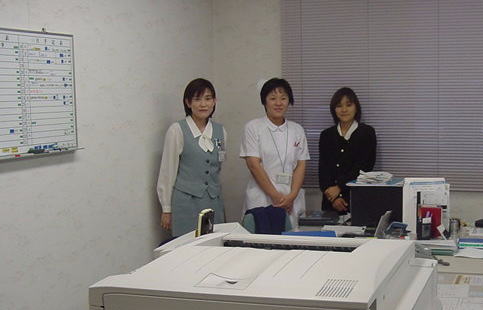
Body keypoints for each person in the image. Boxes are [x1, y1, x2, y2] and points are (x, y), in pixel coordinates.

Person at [156, 78, 226, 237]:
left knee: (214, 246)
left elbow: (218, 166)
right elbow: (167, 171)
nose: (203, 104)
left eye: (208, 99)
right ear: (188, 103)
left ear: (214, 102)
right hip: (185, 203)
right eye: (197, 99)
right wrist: (166, 208)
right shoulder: (177, 130)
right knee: (186, 246)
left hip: (213, 202)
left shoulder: (221, 131)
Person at [240, 78, 309, 228]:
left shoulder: (297, 130)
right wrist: (276, 196)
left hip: (290, 199)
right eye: (272, 98)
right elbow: (253, 165)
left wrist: (292, 196)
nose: (278, 103)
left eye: (283, 98)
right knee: (260, 238)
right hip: (261, 198)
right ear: (264, 101)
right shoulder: (253, 127)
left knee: (290, 238)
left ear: (289, 101)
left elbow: (301, 165)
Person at [318, 87, 376, 213]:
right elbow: (323, 170)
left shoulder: (367, 133)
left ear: (356, 107)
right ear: (334, 109)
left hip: (357, 198)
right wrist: (334, 198)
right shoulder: (326, 135)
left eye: (348, 105)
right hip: (330, 201)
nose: (344, 110)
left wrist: (339, 187)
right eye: (339, 106)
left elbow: (365, 167)